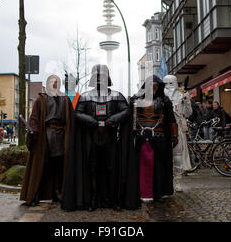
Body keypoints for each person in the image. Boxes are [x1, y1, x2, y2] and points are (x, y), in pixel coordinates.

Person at [62, 65, 139, 211]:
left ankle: (113, 200)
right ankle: (92, 200)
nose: (100, 79)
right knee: (93, 170)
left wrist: (113, 119)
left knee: (112, 169)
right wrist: (90, 120)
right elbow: (77, 113)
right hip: (92, 139)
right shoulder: (85, 97)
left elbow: (126, 111)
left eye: (102, 76)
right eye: (97, 76)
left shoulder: (116, 96)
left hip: (111, 138)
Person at [20, 75, 74, 206]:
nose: (54, 84)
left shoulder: (65, 99)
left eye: (57, 82)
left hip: (61, 136)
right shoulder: (41, 99)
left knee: (59, 166)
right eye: (52, 82)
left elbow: (72, 118)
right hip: (45, 137)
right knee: (42, 166)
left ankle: (57, 193)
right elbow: (34, 118)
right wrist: (34, 130)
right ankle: (35, 195)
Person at [130, 75, 176, 203]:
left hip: (159, 137)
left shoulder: (164, 101)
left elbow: (171, 119)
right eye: (151, 86)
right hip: (141, 137)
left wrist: (174, 135)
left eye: (155, 86)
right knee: (141, 165)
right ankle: (141, 191)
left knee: (159, 166)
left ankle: (158, 192)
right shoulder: (136, 100)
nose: (153, 88)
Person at [163, 75, 191, 192]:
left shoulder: (181, 95)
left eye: (171, 83)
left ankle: (178, 180)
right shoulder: (161, 96)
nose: (169, 86)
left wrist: (187, 101)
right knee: (164, 156)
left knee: (178, 156)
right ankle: (166, 182)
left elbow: (188, 113)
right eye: (166, 84)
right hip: (164, 128)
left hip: (178, 128)